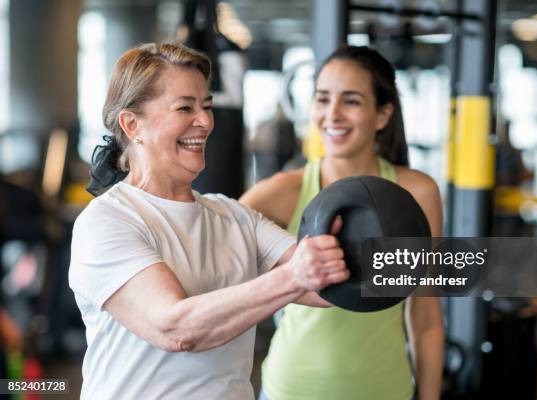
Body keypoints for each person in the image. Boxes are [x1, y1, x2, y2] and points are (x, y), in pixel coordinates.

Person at [68, 42, 348, 400]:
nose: (204, 121)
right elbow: (176, 328)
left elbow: (322, 286)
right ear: (132, 124)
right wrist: (293, 276)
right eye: (185, 107)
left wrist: (416, 261)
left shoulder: (234, 216)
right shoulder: (109, 221)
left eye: (207, 106)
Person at [240, 46, 444, 400]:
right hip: (291, 389)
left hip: (384, 389)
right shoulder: (280, 193)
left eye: (350, 101)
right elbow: (224, 277)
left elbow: (425, 315)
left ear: (382, 114)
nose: (331, 115)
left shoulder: (417, 192)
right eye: (322, 99)